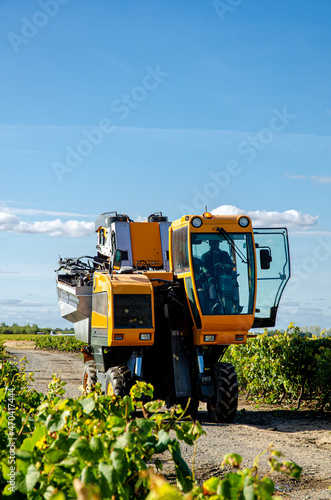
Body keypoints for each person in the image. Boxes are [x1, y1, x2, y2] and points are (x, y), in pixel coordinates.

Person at [201, 240, 234, 314]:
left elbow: (231, 264)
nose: (216, 244)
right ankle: (214, 302)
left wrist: (226, 265)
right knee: (212, 282)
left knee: (234, 283)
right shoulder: (205, 255)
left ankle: (234, 302)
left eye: (217, 243)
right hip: (212, 276)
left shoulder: (225, 254)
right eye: (214, 243)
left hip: (224, 276)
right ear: (210, 244)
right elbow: (203, 266)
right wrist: (206, 271)